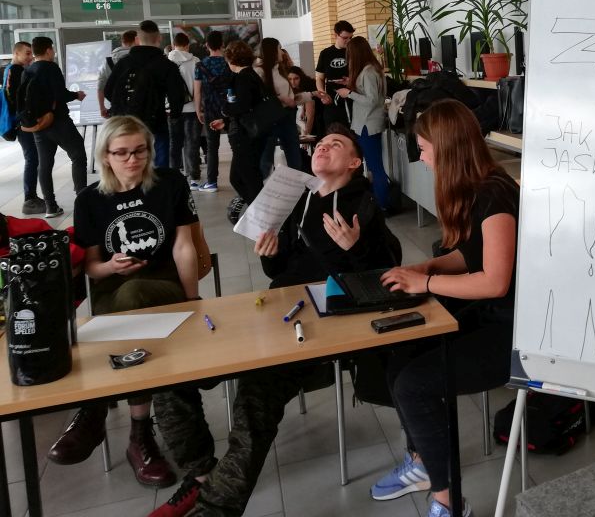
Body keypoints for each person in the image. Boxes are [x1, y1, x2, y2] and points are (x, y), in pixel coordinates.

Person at [149, 126, 398, 517]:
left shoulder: (362, 204)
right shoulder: (302, 198)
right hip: (275, 311)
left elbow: (386, 274)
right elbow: (283, 270)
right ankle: (200, 475)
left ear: (354, 162)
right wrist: (272, 253)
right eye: (320, 143)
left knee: (256, 398)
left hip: (317, 326)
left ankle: (216, 507)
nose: (323, 147)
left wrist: (357, 248)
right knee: (170, 375)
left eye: (335, 145)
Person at [372, 99, 519, 517]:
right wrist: (428, 267)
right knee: (399, 356)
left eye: (423, 149)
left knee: (413, 385)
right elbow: (470, 256)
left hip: (513, 332)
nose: (420, 157)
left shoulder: (495, 194)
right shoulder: (476, 189)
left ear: (448, 147)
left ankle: (447, 502)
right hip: (489, 315)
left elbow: (494, 280)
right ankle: (423, 463)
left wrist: (426, 282)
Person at [47, 115, 199, 488]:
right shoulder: (89, 200)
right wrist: (112, 266)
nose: (133, 160)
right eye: (122, 153)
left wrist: (194, 301)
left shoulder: (170, 184)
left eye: (140, 151)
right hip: (111, 291)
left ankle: (95, 408)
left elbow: (183, 246)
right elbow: (92, 268)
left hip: (164, 287)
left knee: (134, 297)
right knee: (127, 306)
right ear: (106, 156)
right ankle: (139, 435)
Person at [20, 36, 88, 218]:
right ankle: (83, 201)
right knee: (78, 155)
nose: (54, 52)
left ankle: (50, 206)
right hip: (58, 121)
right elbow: (60, 94)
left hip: (38, 124)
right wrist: (76, 95)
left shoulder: (28, 70)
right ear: (48, 50)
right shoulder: (50, 67)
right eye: (52, 49)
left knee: (45, 163)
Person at [104, 20, 185, 167]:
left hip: (127, 122)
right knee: (160, 163)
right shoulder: (167, 65)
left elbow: (108, 90)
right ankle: (158, 179)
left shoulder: (124, 63)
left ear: (137, 39)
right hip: (156, 121)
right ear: (159, 38)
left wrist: (126, 105)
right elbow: (177, 96)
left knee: (130, 161)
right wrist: (174, 115)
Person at [208, 40, 267, 211]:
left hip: (245, 137)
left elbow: (243, 105)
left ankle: (261, 213)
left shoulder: (243, 78)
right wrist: (226, 121)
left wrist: (224, 110)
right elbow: (249, 107)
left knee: (247, 178)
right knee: (240, 178)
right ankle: (258, 211)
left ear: (230, 59)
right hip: (249, 134)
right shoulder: (250, 75)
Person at [337, 35, 390, 211]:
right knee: (374, 166)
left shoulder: (368, 71)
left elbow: (371, 100)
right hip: (367, 123)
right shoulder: (371, 69)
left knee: (376, 167)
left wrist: (349, 94)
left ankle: (381, 206)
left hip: (368, 124)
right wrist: (350, 85)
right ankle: (379, 203)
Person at [3, 41, 44, 214]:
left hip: (22, 122)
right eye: (27, 53)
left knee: (33, 158)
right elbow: (16, 98)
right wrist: (28, 117)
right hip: (22, 124)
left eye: (31, 53)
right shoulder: (15, 70)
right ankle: (29, 199)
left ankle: (31, 197)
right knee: (32, 158)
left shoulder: (14, 70)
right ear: (16, 53)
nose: (30, 57)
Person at [255, 37, 302, 175]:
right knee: (266, 159)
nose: (282, 52)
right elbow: (259, 97)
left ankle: (296, 185)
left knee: (294, 156)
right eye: (279, 49)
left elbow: (291, 97)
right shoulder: (259, 71)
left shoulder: (280, 70)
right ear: (272, 51)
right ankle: (262, 186)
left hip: (287, 116)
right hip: (271, 119)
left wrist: (312, 95)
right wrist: (281, 99)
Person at [193, 31, 229, 192]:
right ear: (222, 44)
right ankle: (242, 178)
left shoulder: (201, 65)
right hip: (229, 109)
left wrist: (198, 110)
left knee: (212, 146)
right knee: (236, 145)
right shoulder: (229, 63)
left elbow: (197, 91)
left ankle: (212, 182)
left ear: (207, 45)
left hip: (210, 109)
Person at [167, 33, 201, 188]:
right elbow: (199, 87)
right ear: (187, 45)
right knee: (192, 143)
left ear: (174, 45)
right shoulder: (195, 61)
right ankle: (194, 179)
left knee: (174, 144)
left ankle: (173, 177)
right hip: (192, 108)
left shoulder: (166, 61)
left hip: (172, 109)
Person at [315, 19, 354, 128]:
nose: (348, 41)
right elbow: (319, 78)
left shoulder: (353, 52)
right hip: (331, 101)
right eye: (345, 38)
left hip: (351, 99)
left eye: (350, 38)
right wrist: (323, 94)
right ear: (335, 35)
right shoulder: (325, 53)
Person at [97, 29, 137, 118]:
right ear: (137, 40)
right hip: (140, 107)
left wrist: (102, 108)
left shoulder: (108, 61)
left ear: (122, 42)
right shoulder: (140, 58)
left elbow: (100, 87)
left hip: (118, 108)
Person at [287, 66, 324, 139]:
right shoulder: (291, 89)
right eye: (290, 79)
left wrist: (306, 137)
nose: (293, 82)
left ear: (301, 78)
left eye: (296, 78)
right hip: (308, 119)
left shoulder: (309, 87)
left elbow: (310, 115)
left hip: (319, 118)